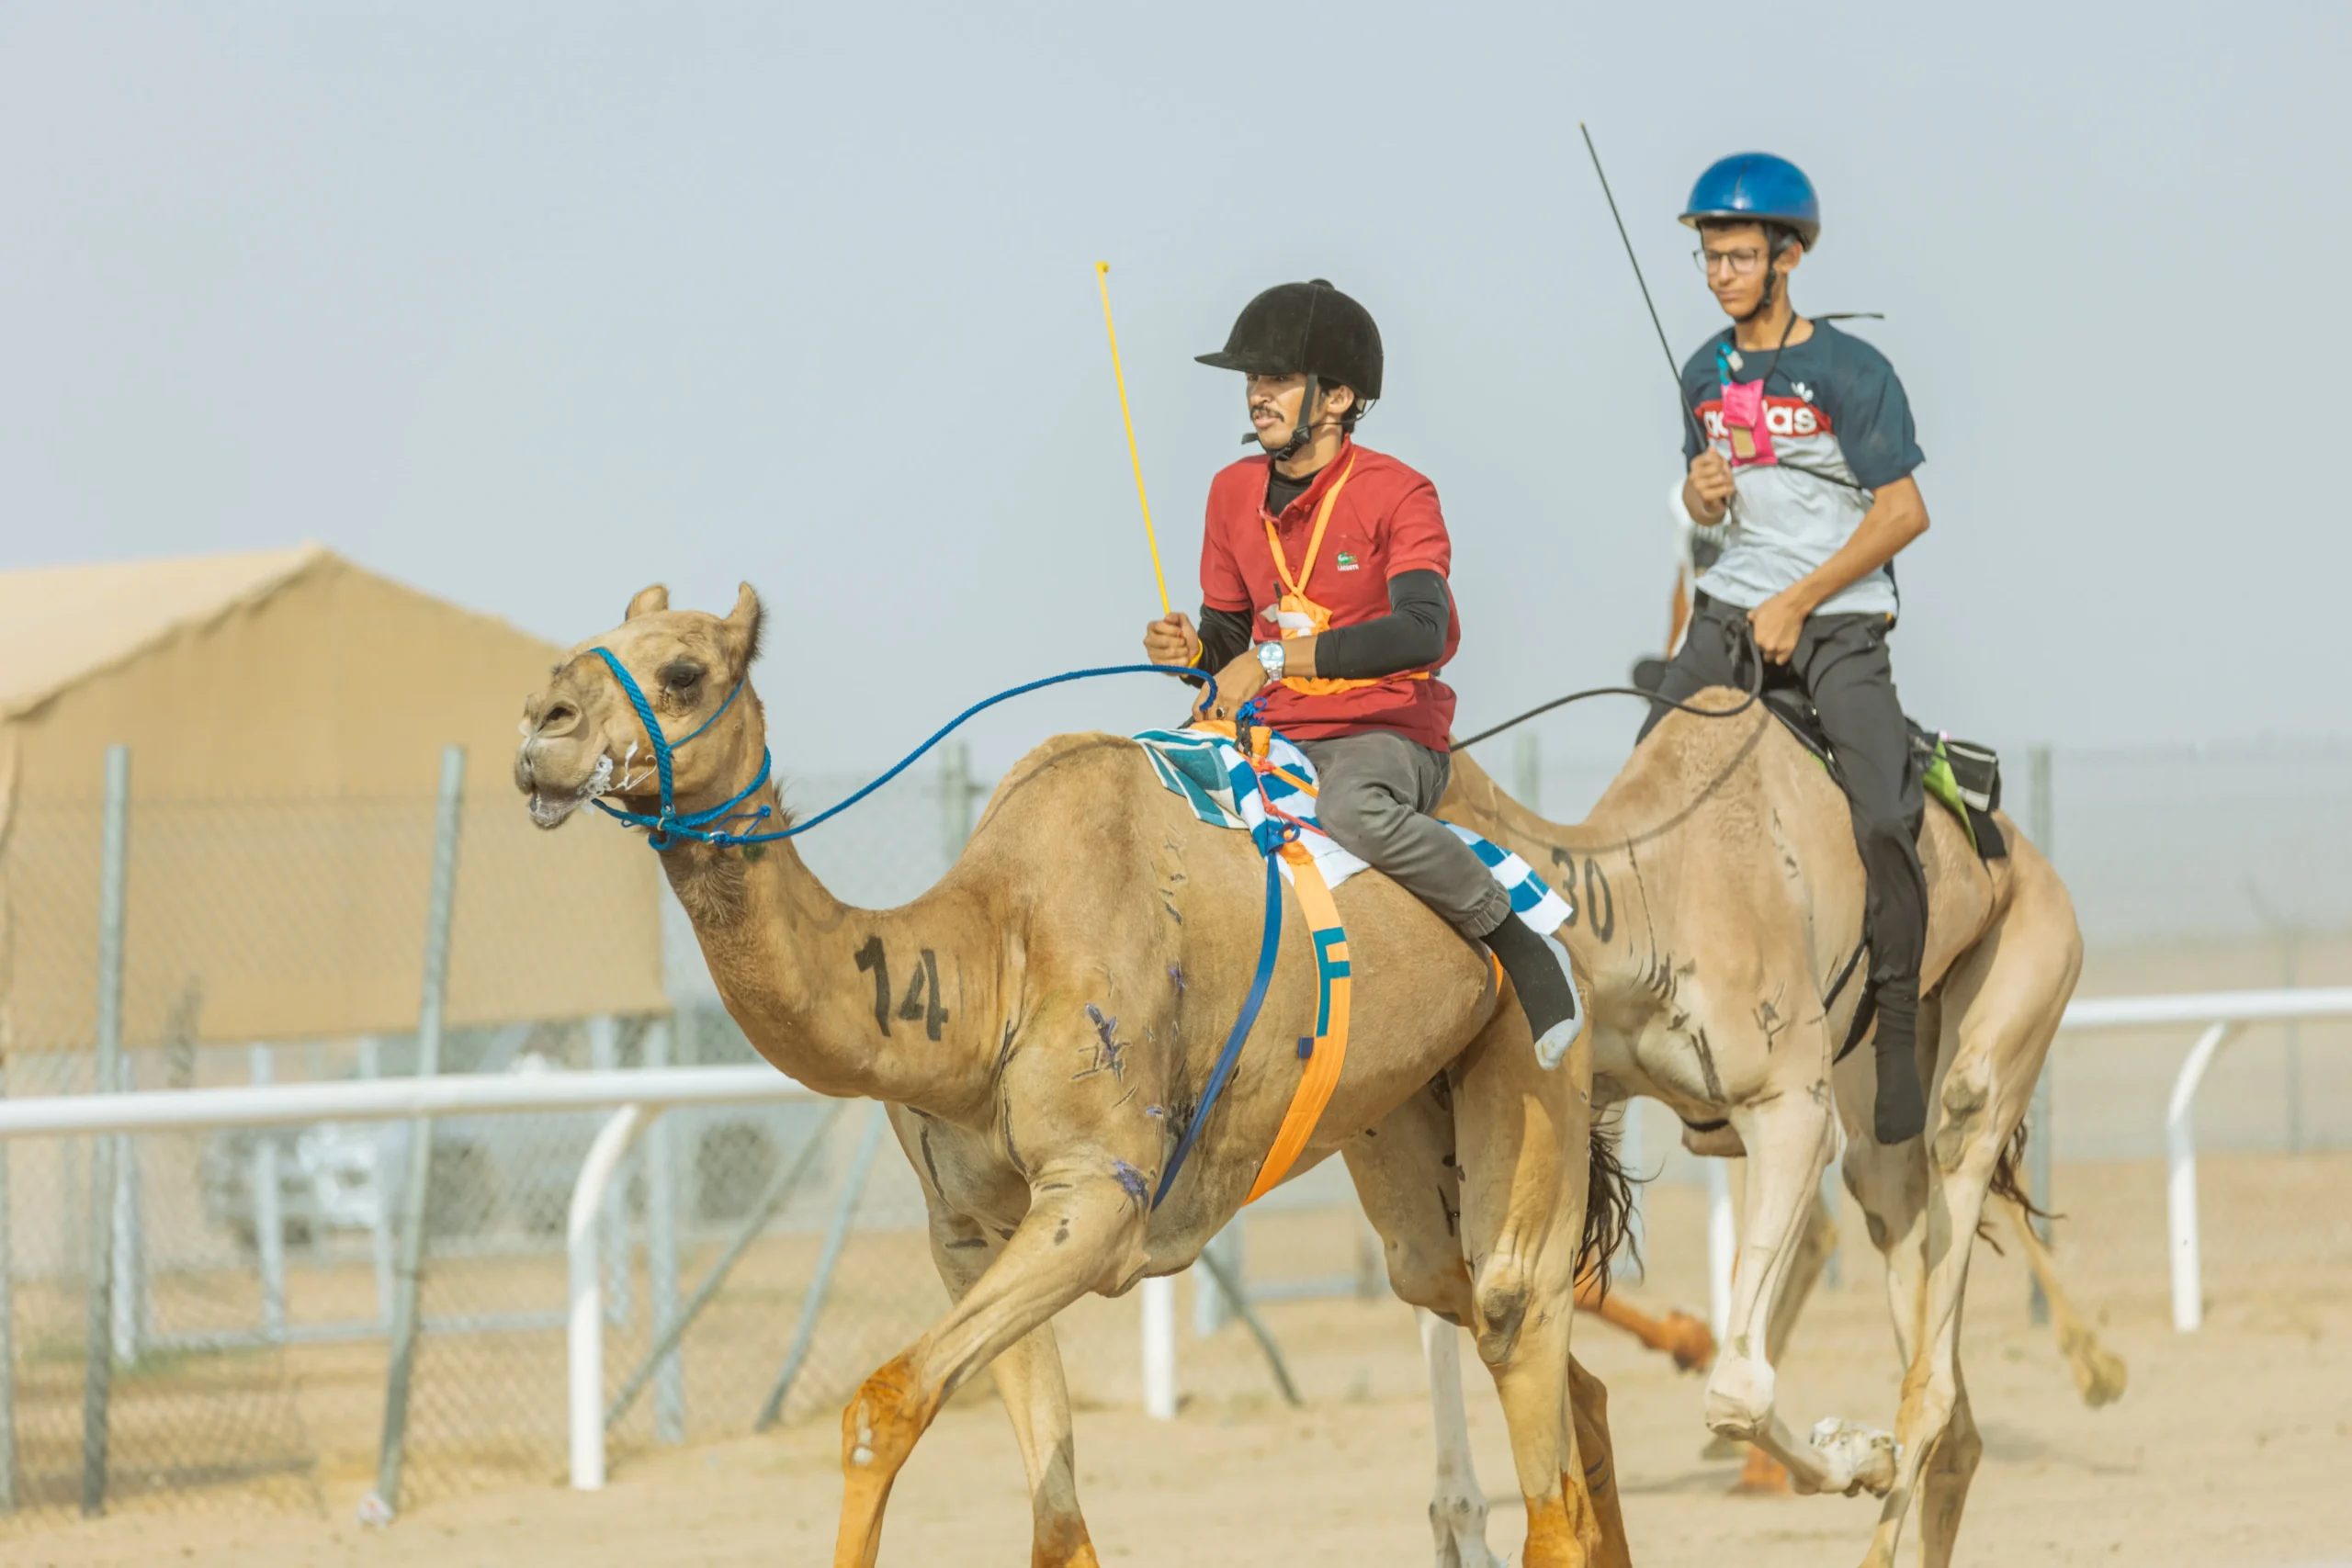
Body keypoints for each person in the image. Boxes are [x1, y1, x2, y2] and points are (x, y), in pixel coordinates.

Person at [1140, 278, 1577, 1057]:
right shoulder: (1230, 490)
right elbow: (1226, 638)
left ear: (1337, 396)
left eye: (1275, 378)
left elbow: (1421, 630)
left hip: (1384, 735)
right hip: (1268, 728)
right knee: (1143, 784)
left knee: (1353, 813)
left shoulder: (1399, 491)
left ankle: (1518, 939)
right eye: (1252, 380)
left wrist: (1268, 657)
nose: (1256, 396)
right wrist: (1194, 655)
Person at [1640, 154, 1935, 1144]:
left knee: (1888, 814)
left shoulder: (1854, 373)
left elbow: (1904, 512)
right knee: (1644, 787)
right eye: (1708, 258)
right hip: (1727, 611)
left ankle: (1894, 1033)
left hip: (1840, 617)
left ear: (1787, 258)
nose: (1720, 273)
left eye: (1736, 256)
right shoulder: (1700, 375)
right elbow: (1705, 510)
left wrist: (1802, 603)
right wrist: (1698, 500)